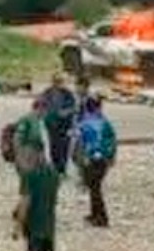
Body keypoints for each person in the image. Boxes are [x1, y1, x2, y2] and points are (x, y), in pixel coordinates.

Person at [74, 95, 116, 227]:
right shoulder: (105, 122)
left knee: (95, 189)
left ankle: (102, 217)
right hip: (102, 159)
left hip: (90, 159)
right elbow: (112, 140)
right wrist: (112, 157)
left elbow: (79, 144)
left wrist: (78, 160)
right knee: (95, 188)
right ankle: (95, 214)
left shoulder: (84, 124)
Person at [14, 155, 60, 251]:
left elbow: (25, 203)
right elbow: (53, 200)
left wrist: (17, 227)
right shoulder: (54, 174)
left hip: (34, 227)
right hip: (49, 227)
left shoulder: (29, 175)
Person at [38, 73, 76, 175]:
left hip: (65, 125)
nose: (59, 83)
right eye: (57, 81)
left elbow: (73, 108)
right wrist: (45, 115)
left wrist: (66, 113)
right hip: (52, 126)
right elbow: (41, 106)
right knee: (54, 147)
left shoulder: (68, 94)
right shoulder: (47, 93)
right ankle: (56, 167)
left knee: (64, 147)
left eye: (60, 81)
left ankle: (62, 169)